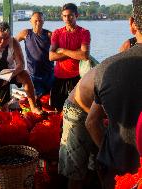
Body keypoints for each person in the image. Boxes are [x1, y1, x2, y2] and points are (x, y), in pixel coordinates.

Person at [86, 0, 142, 188]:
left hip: (117, 168)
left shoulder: (106, 68)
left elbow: (91, 122)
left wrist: (106, 150)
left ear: (132, 23)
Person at [0, 22, 42, 114]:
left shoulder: (13, 42)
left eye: (6, 38)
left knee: (25, 75)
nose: (2, 42)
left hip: (12, 72)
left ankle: (33, 107)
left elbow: (21, 64)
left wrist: (11, 75)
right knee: (3, 109)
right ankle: (6, 113)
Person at [58, 68, 103, 189]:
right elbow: (91, 123)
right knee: (76, 168)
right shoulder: (121, 73)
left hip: (95, 110)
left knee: (99, 161)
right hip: (77, 109)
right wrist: (106, 151)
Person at [49, 3, 91, 111]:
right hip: (59, 76)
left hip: (77, 77)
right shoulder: (57, 33)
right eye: (64, 16)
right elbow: (51, 56)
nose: (67, 18)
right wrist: (75, 53)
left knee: (77, 110)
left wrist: (62, 50)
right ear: (62, 17)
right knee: (57, 109)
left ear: (77, 15)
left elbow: (84, 55)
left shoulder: (84, 32)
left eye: (70, 15)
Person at [16, 12, 54, 97]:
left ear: (44, 21)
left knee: (50, 99)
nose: (38, 23)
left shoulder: (49, 35)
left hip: (49, 74)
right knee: (36, 99)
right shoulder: (26, 33)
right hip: (33, 74)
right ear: (30, 21)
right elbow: (12, 44)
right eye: (35, 21)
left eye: (40, 21)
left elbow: (60, 49)